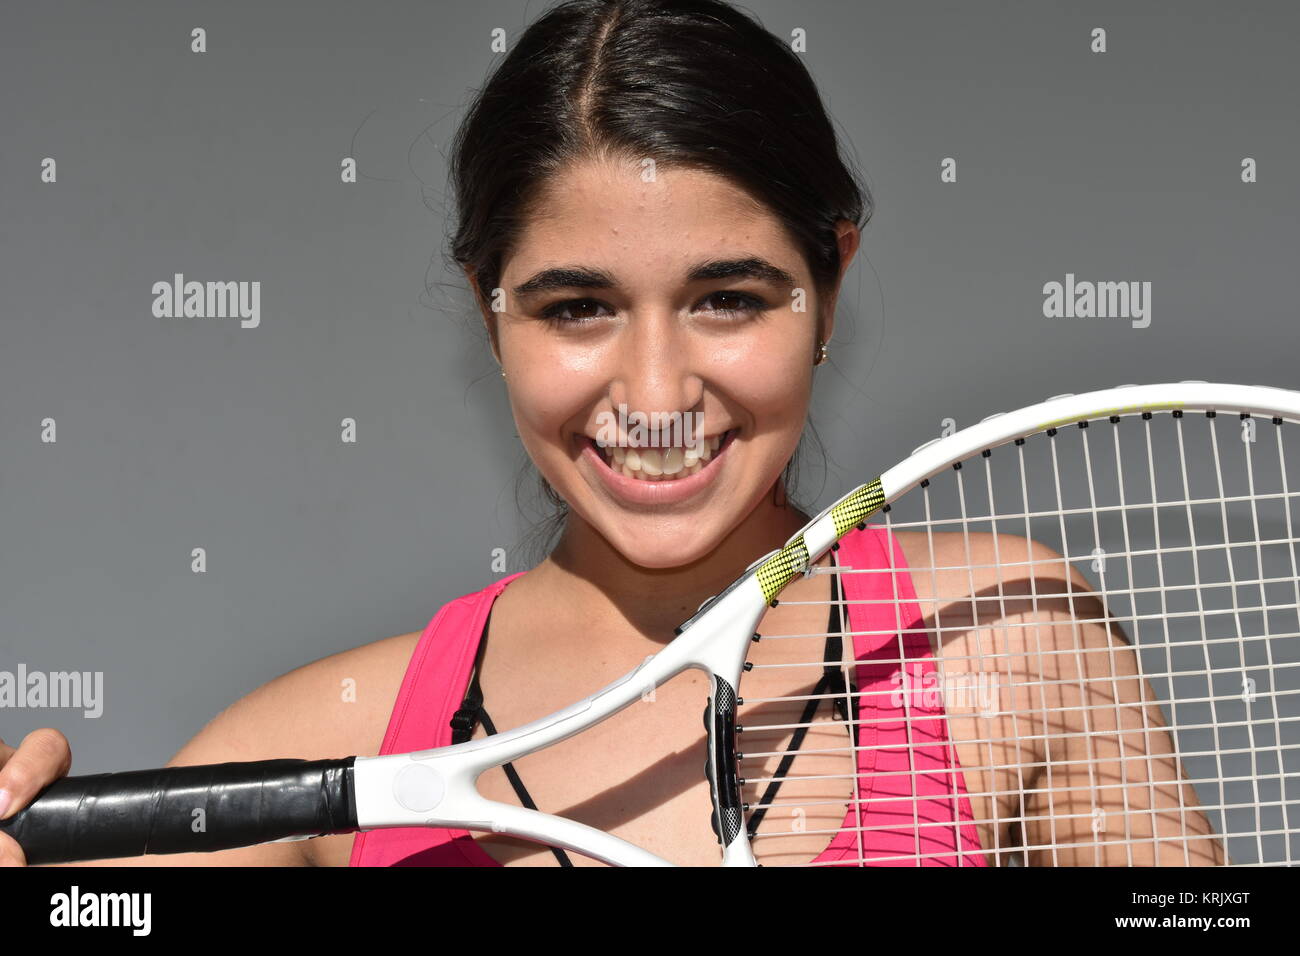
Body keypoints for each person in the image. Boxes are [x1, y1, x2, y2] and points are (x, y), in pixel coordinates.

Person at [0, 0, 1218, 867]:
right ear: (489, 307)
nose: (653, 390)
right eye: (576, 307)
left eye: (726, 298)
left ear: (829, 286)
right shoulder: (312, 745)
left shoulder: (1005, 649)